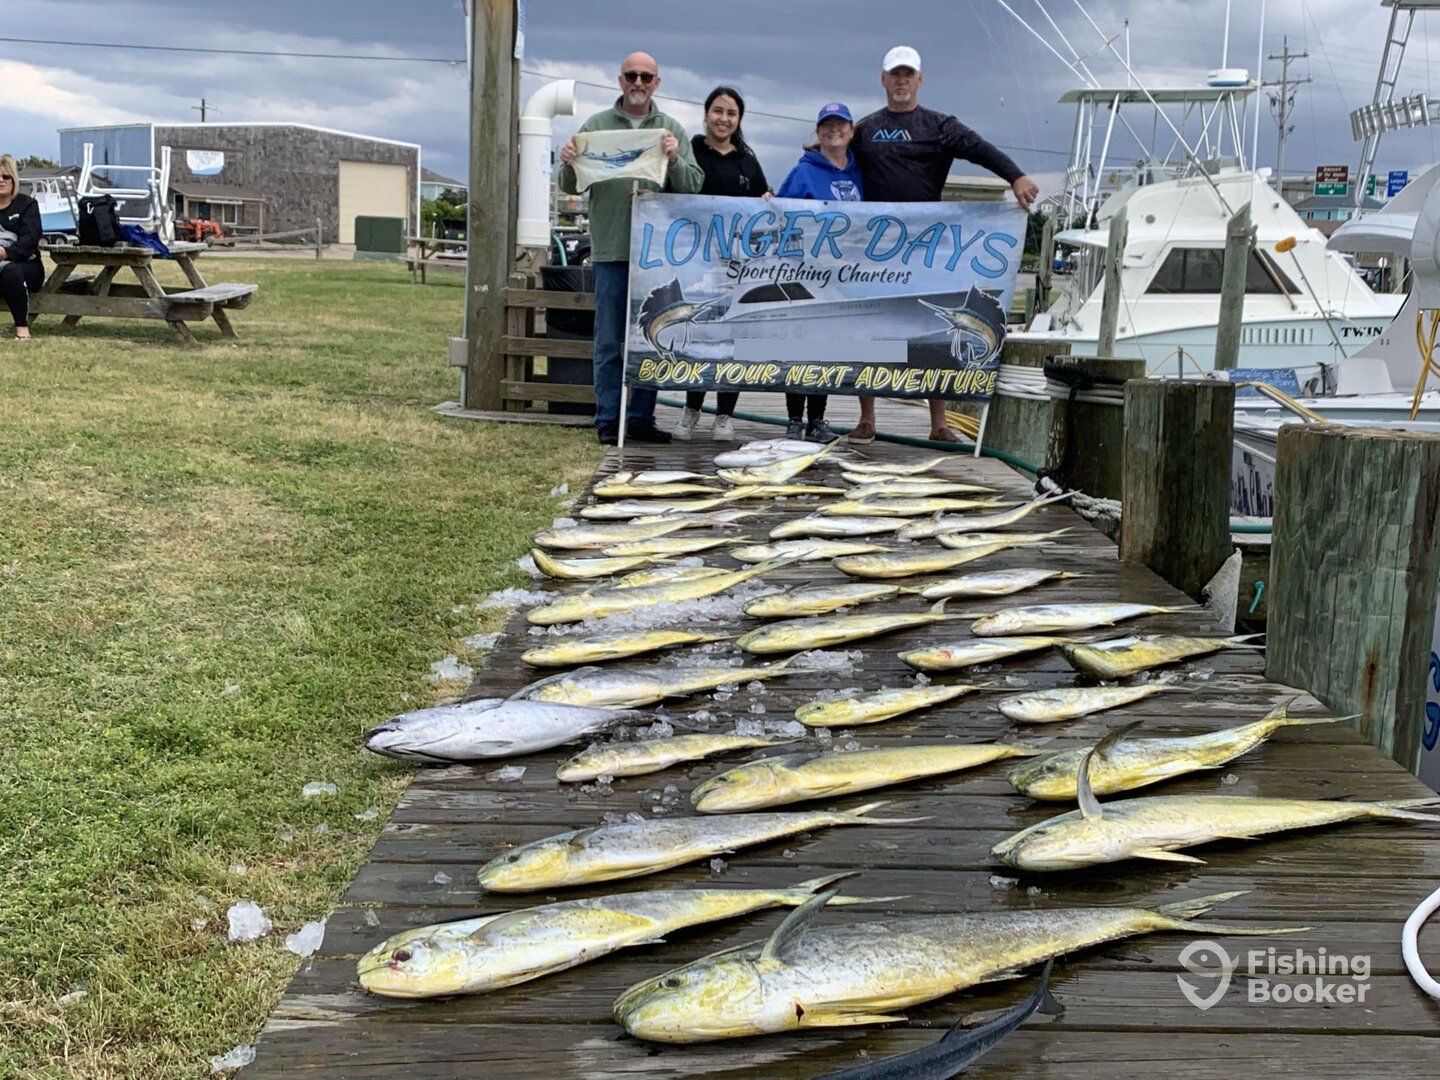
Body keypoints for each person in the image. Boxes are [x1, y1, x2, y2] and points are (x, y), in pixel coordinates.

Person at [852, 45, 1040, 443]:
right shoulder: (865, 129)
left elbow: (980, 149)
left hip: (927, 248)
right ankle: (867, 418)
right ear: (883, 79)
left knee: (934, 330)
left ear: (919, 79)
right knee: (870, 327)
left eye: (908, 74)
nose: (901, 81)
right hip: (873, 248)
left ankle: (938, 422)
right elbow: (834, 156)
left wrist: (1016, 176)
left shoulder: (939, 126)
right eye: (895, 74)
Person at [557, 52, 704, 446]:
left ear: (657, 82)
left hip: (654, 255)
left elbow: (692, 186)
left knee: (650, 339)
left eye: (646, 76)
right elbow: (570, 186)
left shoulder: (670, 128)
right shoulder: (595, 126)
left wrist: (673, 159)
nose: (638, 82)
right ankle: (607, 418)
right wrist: (568, 161)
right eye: (631, 75)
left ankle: (640, 417)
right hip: (609, 249)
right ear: (619, 80)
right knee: (608, 340)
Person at [672, 85, 769, 443]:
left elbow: (763, 203)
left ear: (739, 119)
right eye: (718, 111)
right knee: (698, 333)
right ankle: (691, 408)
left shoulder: (748, 159)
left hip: (738, 267)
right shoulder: (692, 150)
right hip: (695, 262)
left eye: (731, 113)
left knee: (731, 337)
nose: (723, 118)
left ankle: (725, 414)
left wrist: (769, 200)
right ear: (706, 114)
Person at [774, 103, 864, 442]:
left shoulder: (858, 172)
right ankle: (794, 419)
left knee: (826, 347)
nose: (833, 130)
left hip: (841, 278)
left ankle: (818, 420)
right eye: (826, 125)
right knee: (799, 344)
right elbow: (780, 213)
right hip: (803, 273)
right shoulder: (803, 172)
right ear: (818, 132)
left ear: (851, 131)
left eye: (840, 125)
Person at [0, 155, 44, 341]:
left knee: (11, 271)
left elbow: (30, 240)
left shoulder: (27, 205)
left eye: (6, 176)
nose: (1, 181)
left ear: (14, 180)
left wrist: (5, 253)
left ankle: (22, 328)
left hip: (27, 265)